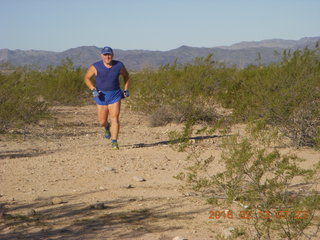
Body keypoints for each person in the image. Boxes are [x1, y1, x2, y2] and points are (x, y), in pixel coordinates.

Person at [84, 46, 130, 150]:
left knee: (115, 118)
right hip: (101, 96)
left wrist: (126, 89)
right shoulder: (95, 66)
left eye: (109, 54)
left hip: (115, 95)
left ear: (112, 55)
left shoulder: (119, 65)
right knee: (102, 121)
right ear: (101, 56)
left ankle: (114, 141)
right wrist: (93, 89)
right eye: (105, 55)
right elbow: (86, 78)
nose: (107, 57)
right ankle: (106, 127)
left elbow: (126, 76)